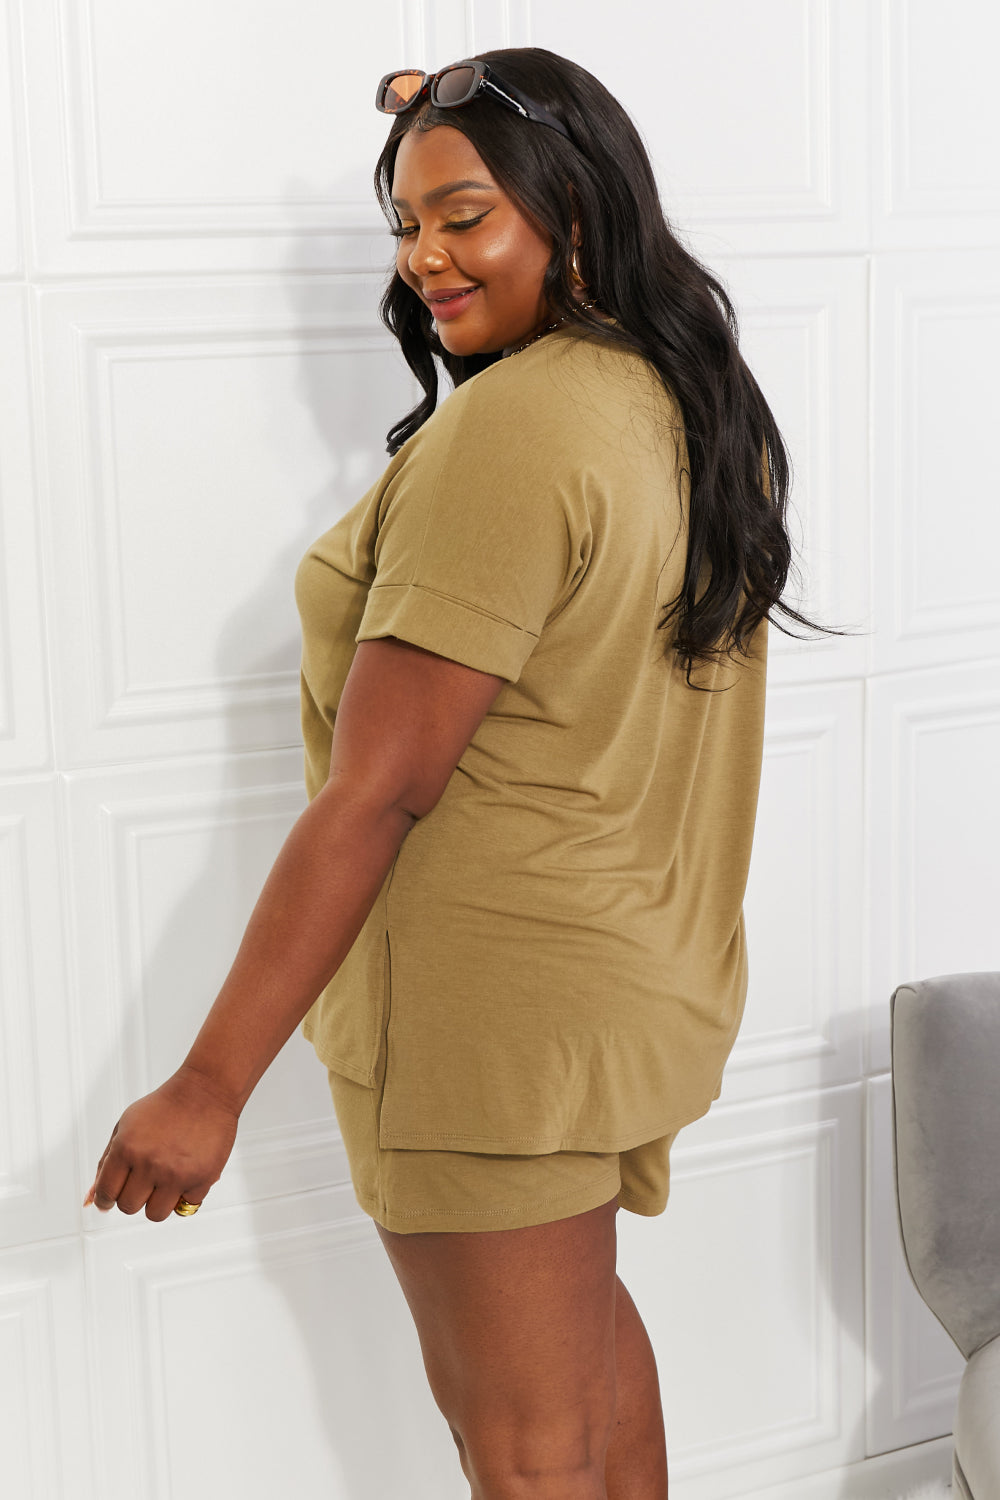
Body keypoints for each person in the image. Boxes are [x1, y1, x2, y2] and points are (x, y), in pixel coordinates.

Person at [86, 47, 823, 1500]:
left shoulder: (514, 431)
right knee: (588, 1379)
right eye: (408, 222)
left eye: (464, 215)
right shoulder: (685, 397)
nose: (424, 256)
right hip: (619, 987)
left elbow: (380, 789)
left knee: (525, 1452)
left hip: (485, 1026)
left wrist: (208, 1086)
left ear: (576, 211)